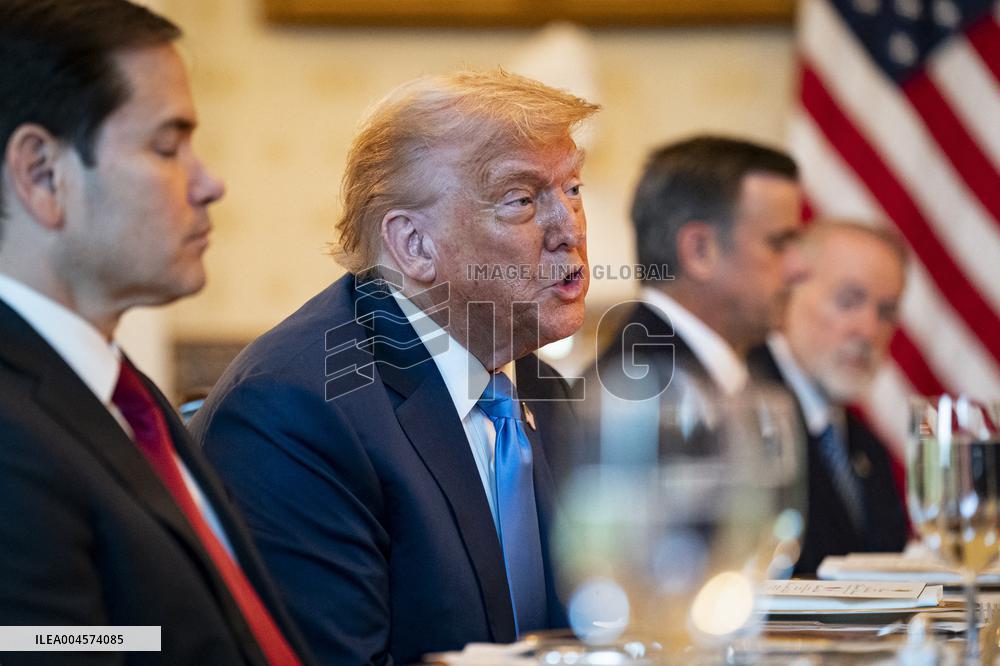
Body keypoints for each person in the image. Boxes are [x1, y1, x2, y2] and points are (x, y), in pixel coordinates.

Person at [190, 70, 598, 664]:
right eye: (522, 199)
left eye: (574, 188)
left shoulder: (536, 383)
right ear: (414, 245)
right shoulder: (297, 413)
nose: (570, 229)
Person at [0, 2, 311, 664]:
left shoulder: (123, 394)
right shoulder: (11, 433)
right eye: (167, 147)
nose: (209, 183)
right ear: (42, 174)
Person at [749, 220, 909, 574]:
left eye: (885, 312)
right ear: (788, 288)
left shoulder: (867, 448)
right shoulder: (739, 407)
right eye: (848, 300)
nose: (868, 330)